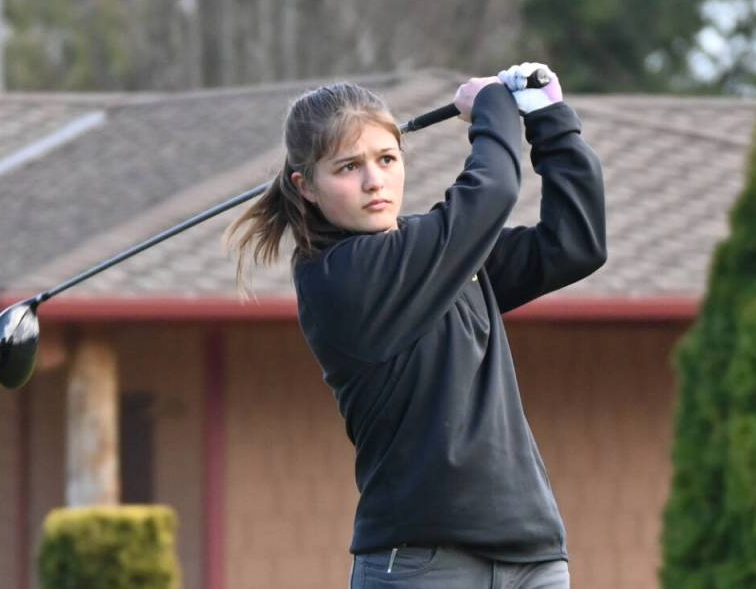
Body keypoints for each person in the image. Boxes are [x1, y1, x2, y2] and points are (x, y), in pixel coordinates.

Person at [228, 63, 607, 588]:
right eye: (347, 167)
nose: (373, 181)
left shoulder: (435, 252)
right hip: (422, 564)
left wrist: (550, 121)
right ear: (306, 186)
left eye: (386, 158)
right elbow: (490, 191)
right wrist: (491, 107)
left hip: (533, 555)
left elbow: (575, 244)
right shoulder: (341, 278)